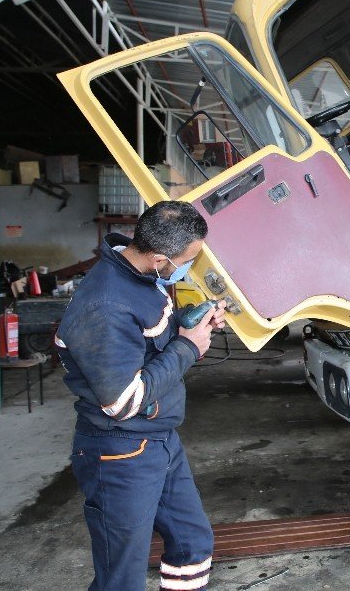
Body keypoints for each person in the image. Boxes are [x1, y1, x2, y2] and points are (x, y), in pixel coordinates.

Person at [55, 200, 226, 591]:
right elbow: (123, 402)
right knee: (122, 576)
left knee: (192, 543)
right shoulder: (105, 306)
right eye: (187, 260)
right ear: (159, 257)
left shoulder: (143, 278)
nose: (190, 267)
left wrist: (192, 322)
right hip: (120, 450)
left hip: (159, 440)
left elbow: (149, 338)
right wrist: (189, 347)